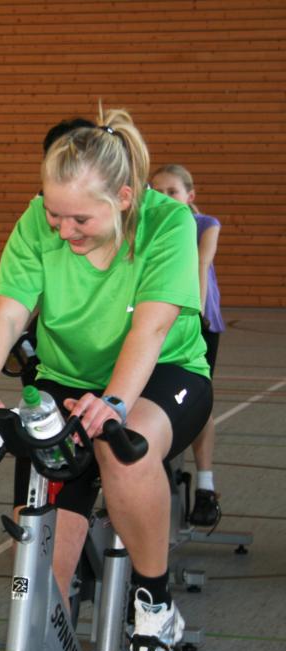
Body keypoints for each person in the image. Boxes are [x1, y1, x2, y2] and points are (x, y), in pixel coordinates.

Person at [0, 108, 212, 651]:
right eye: (53, 214)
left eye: (80, 220)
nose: (63, 231)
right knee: (42, 568)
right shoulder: (37, 221)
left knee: (124, 446)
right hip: (66, 378)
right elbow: (7, 315)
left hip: (164, 372)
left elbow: (152, 329)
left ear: (123, 198)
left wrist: (113, 403)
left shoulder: (168, 223)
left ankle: (155, 613)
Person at [151, 164, 224, 527]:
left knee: (198, 400)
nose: (165, 198)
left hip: (198, 320)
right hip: (156, 322)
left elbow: (200, 264)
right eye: (158, 192)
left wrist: (192, 314)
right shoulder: (148, 225)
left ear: (189, 196)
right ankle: (155, 470)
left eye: (173, 192)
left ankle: (206, 486)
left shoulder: (204, 224)